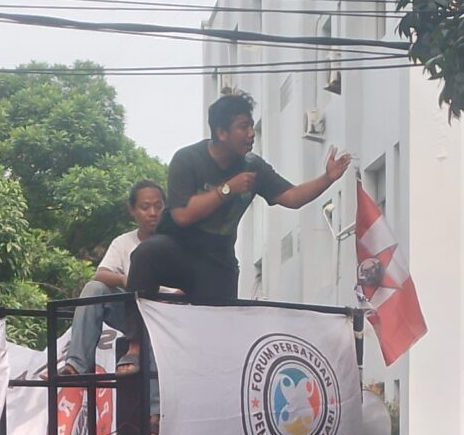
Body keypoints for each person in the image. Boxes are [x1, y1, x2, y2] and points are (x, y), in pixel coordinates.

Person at [140, 91, 351, 306]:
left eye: (252, 126)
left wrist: (328, 178)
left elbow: (292, 197)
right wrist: (227, 189)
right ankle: (134, 333)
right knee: (146, 253)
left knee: (223, 324)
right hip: (179, 248)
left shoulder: (253, 166)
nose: (251, 133)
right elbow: (182, 215)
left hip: (218, 259)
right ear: (222, 132)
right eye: (243, 127)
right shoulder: (187, 159)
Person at [59, 178, 167, 370]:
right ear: (132, 211)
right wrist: (127, 281)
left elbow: (187, 288)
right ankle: (76, 365)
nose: (153, 213)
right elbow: (100, 274)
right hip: (131, 312)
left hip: (165, 316)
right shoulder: (123, 242)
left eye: (158, 207)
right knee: (94, 289)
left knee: (153, 386)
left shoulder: (175, 242)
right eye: (145, 207)